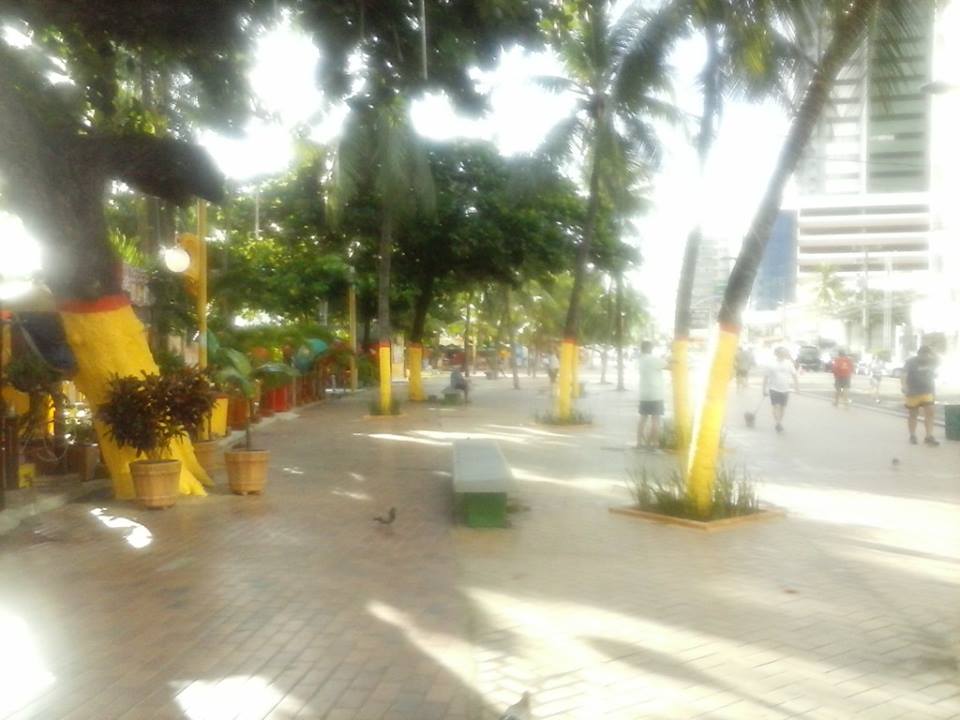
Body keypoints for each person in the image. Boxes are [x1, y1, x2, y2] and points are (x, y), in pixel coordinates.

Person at [901, 345, 939, 446]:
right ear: (919, 354)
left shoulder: (932, 361)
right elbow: (904, 374)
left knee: (930, 412)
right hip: (913, 392)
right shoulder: (911, 362)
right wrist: (904, 386)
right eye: (923, 355)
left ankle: (929, 436)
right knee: (913, 414)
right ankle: (912, 435)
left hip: (927, 391)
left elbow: (939, 360)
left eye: (927, 355)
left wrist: (932, 351)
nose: (925, 358)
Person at [636, 341, 667, 450]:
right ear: (650, 348)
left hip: (644, 394)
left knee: (642, 419)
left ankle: (639, 443)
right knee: (655, 420)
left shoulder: (640, 360)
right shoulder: (654, 359)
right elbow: (668, 365)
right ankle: (653, 444)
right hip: (656, 394)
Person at [762, 346, 799, 433]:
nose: (783, 354)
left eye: (784, 352)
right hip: (774, 388)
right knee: (776, 406)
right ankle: (778, 423)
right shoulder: (770, 364)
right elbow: (766, 377)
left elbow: (794, 375)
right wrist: (764, 390)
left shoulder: (789, 363)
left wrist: (797, 387)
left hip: (785, 389)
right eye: (781, 352)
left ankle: (779, 422)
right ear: (776, 354)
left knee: (782, 408)